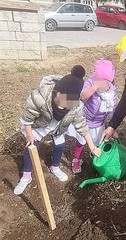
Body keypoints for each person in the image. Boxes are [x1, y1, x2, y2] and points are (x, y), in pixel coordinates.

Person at [14, 65, 102, 195]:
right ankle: (26, 176)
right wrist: (29, 135)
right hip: (40, 124)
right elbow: (28, 117)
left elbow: (82, 126)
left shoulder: (75, 106)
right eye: (60, 99)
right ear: (56, 92)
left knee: (60, 145)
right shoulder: (42, 97)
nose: (62, 104)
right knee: (31, 147)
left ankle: (54, 167)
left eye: (67, 102)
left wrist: (93, 147)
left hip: (58, 126)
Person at [67, 60, 118, 174]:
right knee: (81, 141)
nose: (103, 84)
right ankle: (77, 159)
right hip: (85, 120)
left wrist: (112, 126)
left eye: (106, 82)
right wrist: (94, 88)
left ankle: (95, 157)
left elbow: (113, 108)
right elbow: (83, 97)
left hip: (99, 122)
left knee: (98, 141)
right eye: (100, 81)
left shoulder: (111, 91)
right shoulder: (90, 83)